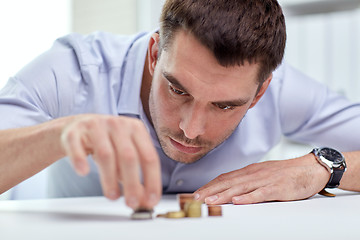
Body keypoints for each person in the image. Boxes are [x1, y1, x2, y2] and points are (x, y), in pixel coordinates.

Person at [0, 0, 359, 210]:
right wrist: (59, 134)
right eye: (178, 90)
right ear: (155, 55)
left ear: (260, 93)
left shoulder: (283, 90)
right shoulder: (73, 70)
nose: (191, 129)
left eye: (224, 106)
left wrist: (322, 168)